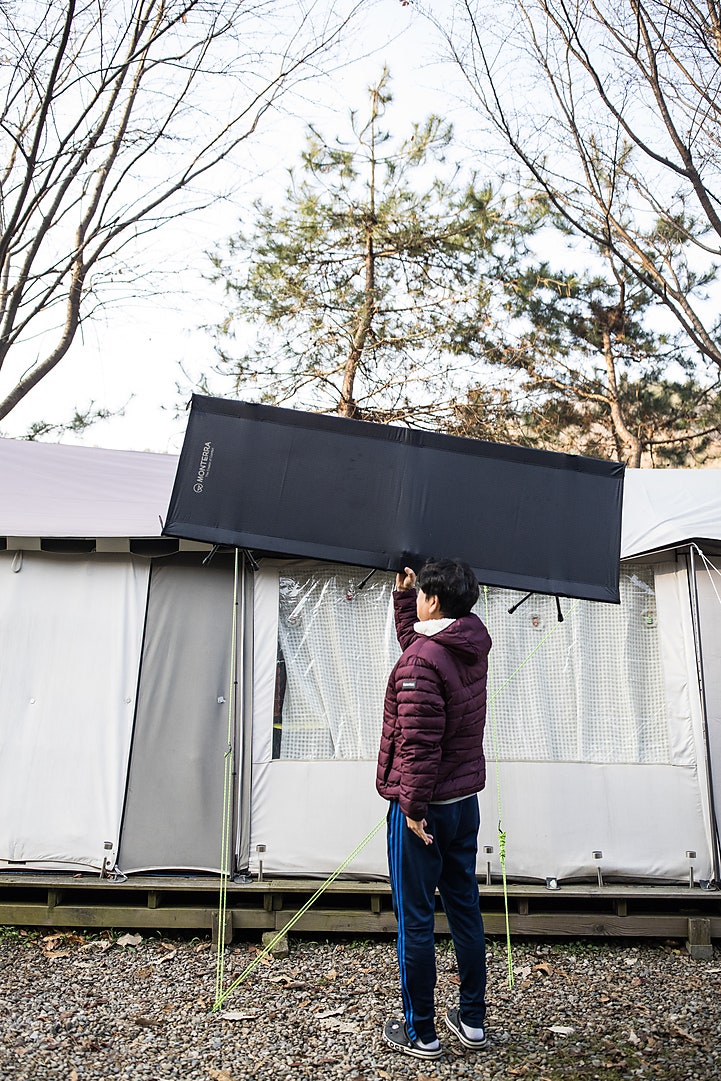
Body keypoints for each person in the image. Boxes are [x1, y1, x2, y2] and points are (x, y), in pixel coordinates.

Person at [376, 558, 492, 1059]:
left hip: (426, 810)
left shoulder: (424, 662)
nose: (418, 596)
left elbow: (419, 744)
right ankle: (472, 1020)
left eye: (421, 592)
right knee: (464, 907)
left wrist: (414, 809)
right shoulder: (467, 644)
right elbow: (422, 650)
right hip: (465, 804)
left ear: (436, 602)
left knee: (416, 917)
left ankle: (420, 1031)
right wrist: (405, 597)